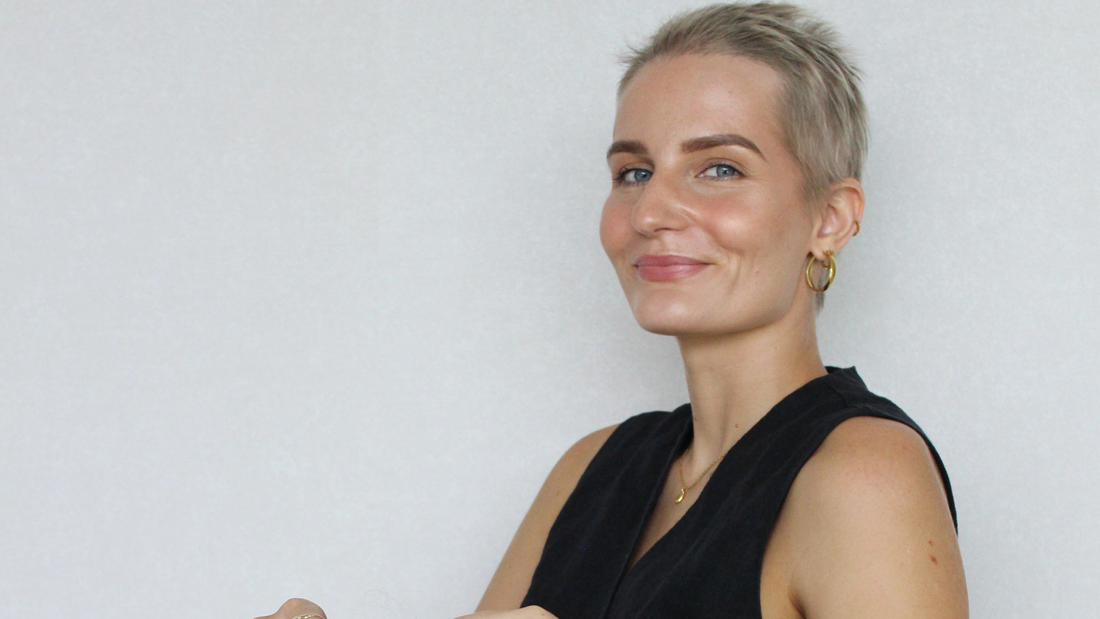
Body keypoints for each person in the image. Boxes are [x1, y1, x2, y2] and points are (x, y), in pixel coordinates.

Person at [260, 3, 967, 618]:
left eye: (719, 167)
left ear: (832, 218)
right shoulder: (592, 468)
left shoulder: (862, 474)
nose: (652, 210)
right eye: (633, 171)